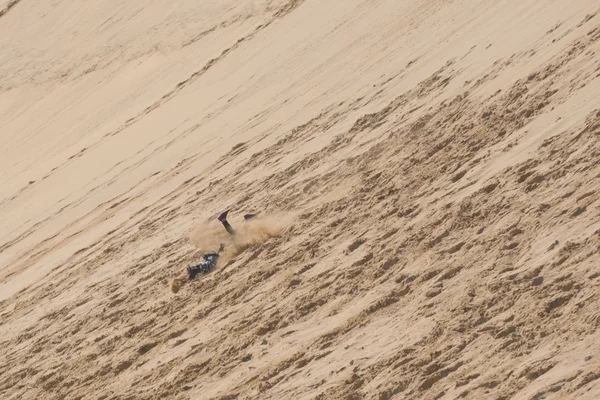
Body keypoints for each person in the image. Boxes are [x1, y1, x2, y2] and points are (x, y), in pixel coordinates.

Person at [186, 210, 258, 280]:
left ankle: (245, 220)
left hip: (223, 253)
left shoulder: (203, 270)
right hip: (223, 252)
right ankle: (241, 220)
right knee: (236, 236)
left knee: (235, 235)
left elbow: (211, 259)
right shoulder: (203, 266)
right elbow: (210, 257)